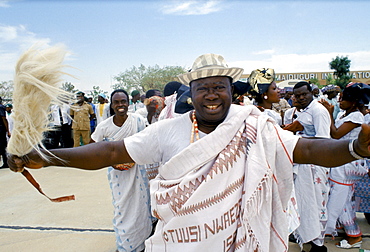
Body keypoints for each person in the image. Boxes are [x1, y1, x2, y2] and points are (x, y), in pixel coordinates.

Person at [8, 53, 370, 252]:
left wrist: (353, 147)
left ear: (232, 91)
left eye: (220, 87)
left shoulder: (256, 126)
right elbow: (110, 151)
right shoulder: (168, 130)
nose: (212, 95)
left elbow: (307, 148)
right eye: (203, 89)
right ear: (191, 94)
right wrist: (48, 157)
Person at [90, 89, 154, 252]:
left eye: (123, 101)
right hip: (118, 176)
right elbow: (93, 146)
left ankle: (142, 241)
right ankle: (126, 245)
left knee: (141, 204)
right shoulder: (104, 126)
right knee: (122, 208)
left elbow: (148, 140)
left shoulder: (138, 120)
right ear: (112, 105)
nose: (120, 105)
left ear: (128, 103)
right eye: (117, 102)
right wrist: (110, 159)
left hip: (138, 172)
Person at [320, 83, 370, 249]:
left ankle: (354, 236)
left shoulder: (356, 117)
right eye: (340, 98)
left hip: (348, 163)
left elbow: (335, 134)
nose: (340, 101)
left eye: (344, 99)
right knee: (343, 198)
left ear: (354, 102)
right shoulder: (345, 114)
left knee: (340, 200)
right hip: (343, 160)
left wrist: (328, 114)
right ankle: (343, 228)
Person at [292, 81, 332, 251]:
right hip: (305, 165)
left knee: (317, 204)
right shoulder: (305, 111)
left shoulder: (318, 111)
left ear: (311, 93)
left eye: (304, 94)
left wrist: (297, 142)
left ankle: (319, 244)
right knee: (305, 203)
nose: (301, 98)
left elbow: (323, 140)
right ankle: (308, 237)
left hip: (316, 164)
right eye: (298, 95)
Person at [0, 97, 10, 168]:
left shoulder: (1, 108)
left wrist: (7, 130)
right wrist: (7, 130)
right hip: (1, 129)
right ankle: (6, 162)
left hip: (1, 129)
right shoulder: (1, 107)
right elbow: (4, 119)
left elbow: (4, 119)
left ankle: (6, 162)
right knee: (3, 146)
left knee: (3, 146)